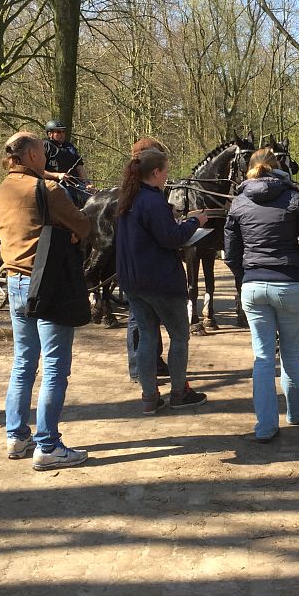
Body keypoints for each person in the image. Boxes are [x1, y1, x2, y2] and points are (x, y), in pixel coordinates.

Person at [0, 131, 93, 470]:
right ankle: (48, 445)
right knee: (54, 367)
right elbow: (83, 222)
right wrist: (77, 231)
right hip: (48, 283)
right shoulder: (47, 190)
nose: (46, 159)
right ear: (34, 156)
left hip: (14, 282)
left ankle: (17, 435)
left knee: (23, 363)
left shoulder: (2, 189)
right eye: (42, 152)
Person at [224, 148, 299, 442]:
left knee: (263, 358)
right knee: (291, 354)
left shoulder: (238, 202)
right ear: (277, 169)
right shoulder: (293, 198)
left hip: (253, 287)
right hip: (289, 283)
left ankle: (265, 426)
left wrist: (245, 279)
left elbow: (230, 253)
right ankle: (295, 411)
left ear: (250, 170)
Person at [116, 147, 210, 414]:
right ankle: (179, 392)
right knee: (179, 336)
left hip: (133, 281)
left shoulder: (129, 198)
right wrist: (195, 223)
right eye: (165, 171)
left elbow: (154, 231)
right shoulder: (153, 200)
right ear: (155, 172)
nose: (167, 176)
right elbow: (170, 238)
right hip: (160, 280)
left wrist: (179, 221)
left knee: (147, 336)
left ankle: (149, 396)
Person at [126, 136, 169, 384]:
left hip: (141, 270)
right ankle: (137, 367)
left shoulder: (144, 195)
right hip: (140, 272)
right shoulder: (136, 196)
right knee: (137, 320)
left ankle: (153, 360)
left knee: (147, 320)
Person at [44, 119, 93, 205]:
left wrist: (87, 183)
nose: (62, 134)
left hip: (74, 184)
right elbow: (38, 170)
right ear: (49, 134)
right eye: (58, 132)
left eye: (63, 132)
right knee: (67, 199)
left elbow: (79, 167)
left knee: (93, 198)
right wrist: (58, 175)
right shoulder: (44, 146)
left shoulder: (69, 147)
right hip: (53, 185)